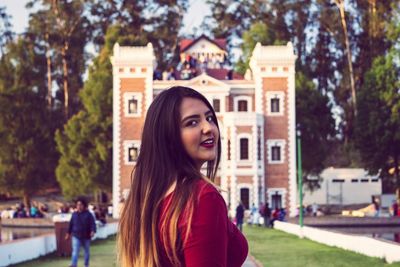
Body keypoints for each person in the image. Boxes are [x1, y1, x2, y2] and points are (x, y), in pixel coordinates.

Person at [118, 86, 248, 267]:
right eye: (192, 122)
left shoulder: (144, 199)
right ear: (168, 137)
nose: (208, 127)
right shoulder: (202, 198)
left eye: (210, 118)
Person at [66, 197, 96, 267]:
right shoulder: (74, 214)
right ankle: (74, 265)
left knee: (86, 252)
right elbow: (71, 224)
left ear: (84, 205)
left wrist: (93, 231)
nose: (79, 206)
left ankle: (86, 265)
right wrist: (68, 234)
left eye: (80, 205)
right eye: (78, 205)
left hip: (86, 236)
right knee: (75, 251)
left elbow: (93, 224)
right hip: (76, 236)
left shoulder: (89, 214)